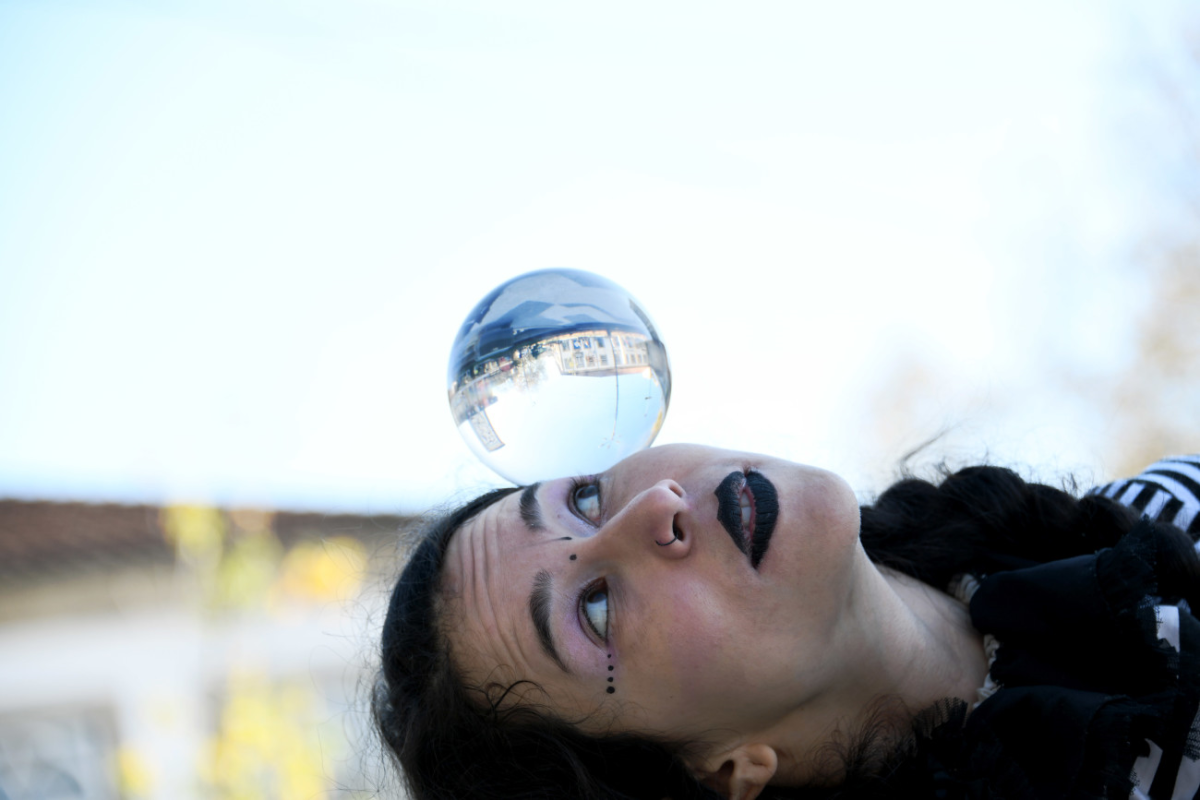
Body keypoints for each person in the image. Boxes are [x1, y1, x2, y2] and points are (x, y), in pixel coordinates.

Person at [373, 447, 1200, 799]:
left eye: (584, 497)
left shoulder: (1153, 518)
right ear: (721, 773)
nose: (654, 506)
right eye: (595, 610)